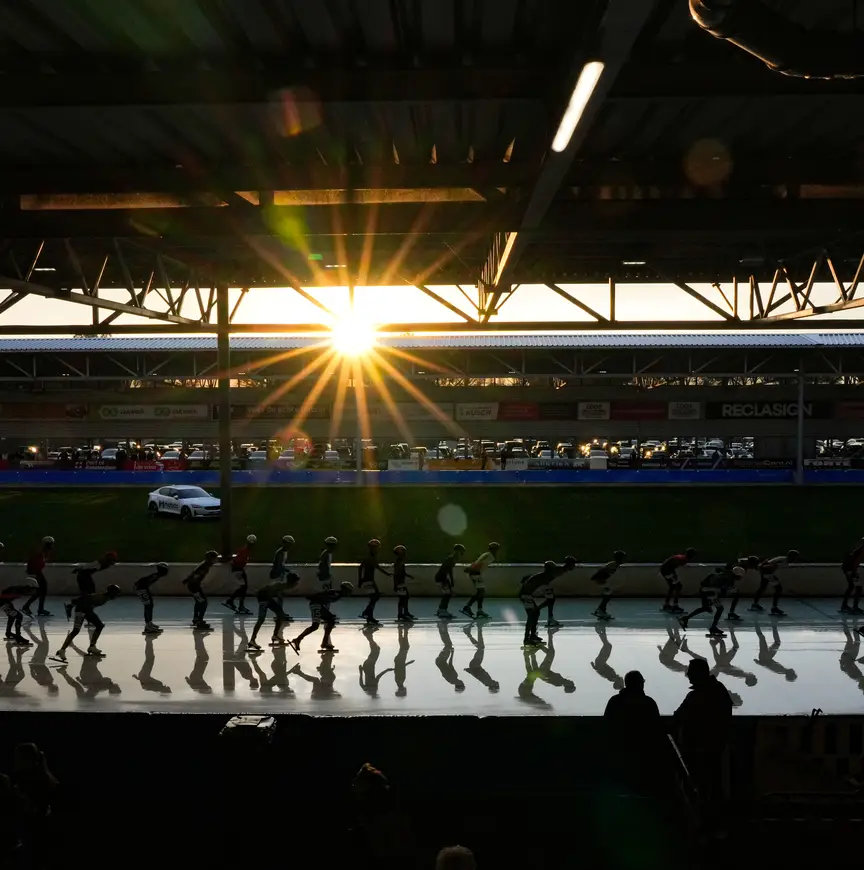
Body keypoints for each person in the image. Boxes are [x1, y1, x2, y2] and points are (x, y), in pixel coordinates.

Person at [673, 658, 733, 828]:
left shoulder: (698, 695)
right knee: (712, 787)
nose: (688, 676)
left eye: (690, 672)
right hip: (712, 749)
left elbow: (679, 716)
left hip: (701, 750)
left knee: (704, 789)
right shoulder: (717, 691)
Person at [603, 670, 664, 794]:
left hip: (619, 755)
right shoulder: (649, 703)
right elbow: (657, 730)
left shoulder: (614, 702)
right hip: (644, 757)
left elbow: (607, 726)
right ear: (641, 684)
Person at [50, 585, 121, 661]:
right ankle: (62, 650)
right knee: (76, 631)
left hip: (87, 611)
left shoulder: (104, 598)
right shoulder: (100, 597)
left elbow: (86, 600)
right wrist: (72, 605)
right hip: (81, 611)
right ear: (112, 593)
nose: (116, 596)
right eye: (116, 594)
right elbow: (83, 599)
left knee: (99, 626)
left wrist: (71, 606)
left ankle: (92, 647)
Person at [519, 557, 577, 646]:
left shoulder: (544, 575)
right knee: (531, 616)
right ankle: (526, 639)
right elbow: (549, 598)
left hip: (527, 594)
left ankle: (533, 636)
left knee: (535, 614)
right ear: (550, 569)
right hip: (525, 595)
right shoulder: (545, 577)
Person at [288, 580, 353, 653]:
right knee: (315, 626)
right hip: (316, 605)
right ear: (345, 590)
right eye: (349, 591)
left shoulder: (337, 594)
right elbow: (321, 595)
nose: (349, 593)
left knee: (331, 621)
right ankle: (298, 639)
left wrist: (328, 613)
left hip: (318, 605)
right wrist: (312, 597)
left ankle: (324, 642)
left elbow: (325, 600)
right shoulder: (335, 593)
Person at [678, 566, 745, 637]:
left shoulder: (723, 574)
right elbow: (723, 592)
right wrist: (731, 592)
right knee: (720, 609)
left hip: (704, 590)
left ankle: (685, 619)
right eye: (740, 577)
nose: (740, 579)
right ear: (737, 576)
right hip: (711, 592)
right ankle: (713, 627)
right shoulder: (729, 580)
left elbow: (705, 581)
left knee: (705, 608)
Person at [247, 570, 300, 651]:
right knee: (261, 619)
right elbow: (267, 589)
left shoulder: (284, 586)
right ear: (292, 582)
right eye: (296, 582)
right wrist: (260, 594)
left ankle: (275, 635)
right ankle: (252, 640)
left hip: (267, 598)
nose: (297, 584)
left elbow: (276, 593)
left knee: (281, 615)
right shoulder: (280, 585)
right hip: (263, 598)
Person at [65, 551, 118, 619]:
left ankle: (72, 606)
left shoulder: (102, 563)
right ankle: (84, 612)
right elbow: (87, 567)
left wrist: (78, 569)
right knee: (90, 596)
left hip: (85, 577)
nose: (113, 563)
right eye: (112, 560)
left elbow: (87, 566)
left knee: (89, 596)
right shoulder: (99, 564)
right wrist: (78, 569)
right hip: (84, 577)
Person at [750, 549, 800, 615]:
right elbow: (770, 566)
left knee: (762, 588)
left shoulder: (782, 559)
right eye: (795, 557)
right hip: (768, 573)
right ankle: (774, 608)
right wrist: (765, 571)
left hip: (766, 573)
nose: (796, 559)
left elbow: (768, 563)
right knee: (778, 589)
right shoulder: (782, 561)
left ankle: (755, 604)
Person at [461, 541, 500, 619]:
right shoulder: (489, 556)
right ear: (494, 549)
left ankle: (478, 610)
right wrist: (472, 569)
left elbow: (477, 562)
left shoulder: (487, 554)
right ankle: (468, 607)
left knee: (481, 592)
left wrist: (471, 568)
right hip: (476, 573)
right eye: (497, 549)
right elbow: (479, 563)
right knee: (481, 591)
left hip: (476, 573)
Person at [183, 550, 219, 631]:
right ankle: (199, 620)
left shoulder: (205, 564)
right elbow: (195, 575)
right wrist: (193, 584)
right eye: (215, 558)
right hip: (194, 586)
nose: (216, 560)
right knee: (203, 602)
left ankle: (196, 619)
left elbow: (193, 573)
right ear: (211, 559)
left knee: (199, 602)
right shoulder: (205, 566)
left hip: (194, 586)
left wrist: (187, 580)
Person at [358, 538, 391, 626]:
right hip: (369, 581)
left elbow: (360, 567)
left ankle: (368, 616)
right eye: (376, 548)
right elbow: (377, 567)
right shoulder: (371, 558)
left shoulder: (368, 557)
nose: (377, 549)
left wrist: (360, 580)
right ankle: (367, 614)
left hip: (367, 580)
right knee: (375, 597)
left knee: (374, 598)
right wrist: (387, 573)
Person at [223, 534, 257, 614]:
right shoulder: (245, 550)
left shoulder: (245, 549)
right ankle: (232, 602)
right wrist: (239, 569)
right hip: (238, 569)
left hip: (238, 569)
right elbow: (237, 560)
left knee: (243, 587)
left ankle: (235, 603)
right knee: (243, 587)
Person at [22, 536, 54, 618]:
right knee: (41, 590)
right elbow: (35, 562)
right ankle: (29, 607)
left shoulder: (42, 551)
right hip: (36, 572)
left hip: (36, 572)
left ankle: (36, 608)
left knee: (41, 590)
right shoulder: (41, 551)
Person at [134, 562, 170, 633]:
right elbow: (143, 581)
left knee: (150, 605)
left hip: (143, 588)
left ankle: (149, 623)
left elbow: (144, 580)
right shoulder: (155, 576)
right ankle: (148, 625)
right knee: (148, 605)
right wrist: (138, 586)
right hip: (141, 589)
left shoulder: (157, 575)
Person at [660, 547, 697, 613]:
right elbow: (671, 566)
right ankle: (675, 605)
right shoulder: (683, 560)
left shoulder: (683, 558)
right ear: (692, 556)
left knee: (672, 587)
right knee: (679, 586)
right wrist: (674, 576)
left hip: (665, 569)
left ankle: (666, 604)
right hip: (667, 571)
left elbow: (671, 563)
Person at [592, 550, 626, 620]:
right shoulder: (613, 565)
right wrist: (602, 582)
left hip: (600, 580)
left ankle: (601, 610)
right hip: (599, 580)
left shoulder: (614, 564)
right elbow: (601, 572)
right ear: (619, 558)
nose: (624, 560)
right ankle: (600, 610)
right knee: (608, 594)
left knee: (608, 594)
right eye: (623, 558)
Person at [723, 555, 759, 621]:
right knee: (736, 596)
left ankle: (731, 612)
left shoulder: (742, 563)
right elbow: (732, 575)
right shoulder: (741, 566)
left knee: (736, 596)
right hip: (727, 582)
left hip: (728, 582)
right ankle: (730, 612)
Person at [1, 580, 37, 645]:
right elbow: (5, 596)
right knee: (19, 616)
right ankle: (18, 638)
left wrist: (9, 604)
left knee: (12, 615)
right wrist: (8, 604)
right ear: (28, 587)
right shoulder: (18, 590)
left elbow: (6, 594)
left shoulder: (20, 589)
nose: (33, 591)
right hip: (3, 603)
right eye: (33, 589)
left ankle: (8, 633)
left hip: (5, 602)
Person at [435, 543, 465, 619]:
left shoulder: (453, 558)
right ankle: (442, 610)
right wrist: (448, 581)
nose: (461, 553)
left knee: (447, 594)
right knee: (447, 594)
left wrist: (450, 580)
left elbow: (449, 570)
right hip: (441, 578)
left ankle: (441, 610)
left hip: (443, 577)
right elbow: (447, 570)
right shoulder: (451, 559)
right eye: (461, 551)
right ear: (457, 551)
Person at [841, 538, 864, 614]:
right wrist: (855, 572)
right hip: (850, 570)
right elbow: (856, 562)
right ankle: (855, 607)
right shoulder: (862, 550)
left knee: (851, 586)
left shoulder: (859, 548)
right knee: (858, 588)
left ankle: (844, 605)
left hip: (847, 569)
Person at [392, 545, 415, 621]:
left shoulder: (400, 561)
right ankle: (402, 614)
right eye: (403, 553)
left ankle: (404, 613)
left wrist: (409, 576)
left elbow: (402, 572)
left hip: (401, 583)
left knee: (405, 597)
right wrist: (395, 584)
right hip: (400, 583)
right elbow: (396, 574)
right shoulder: (398, 562)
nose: (405, 554)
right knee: (403, 598)